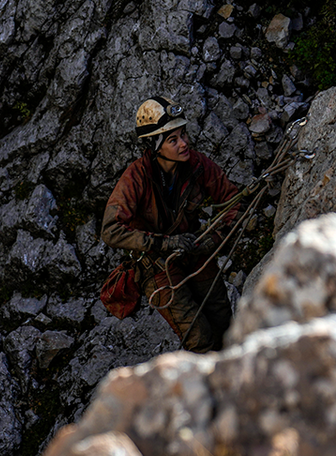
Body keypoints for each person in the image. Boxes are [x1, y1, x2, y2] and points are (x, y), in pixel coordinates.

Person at [101, 96, 241, 352]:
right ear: (155, 145)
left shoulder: (196, 164)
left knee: (225, 326)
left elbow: (233, 200)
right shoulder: (136, 178)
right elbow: (111, 230)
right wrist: (164, 243)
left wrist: (214, 239)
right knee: (199, 338)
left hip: (195, 253)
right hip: (158, 266)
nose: (184, 144)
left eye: (183, 134)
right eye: (173, 139)